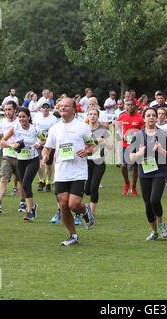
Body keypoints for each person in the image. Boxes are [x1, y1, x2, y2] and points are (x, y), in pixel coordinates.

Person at [40, 97, 97, 246]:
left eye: (66, 106)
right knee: (63, 205)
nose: (62, 108)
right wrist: (45, 154)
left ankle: (85, 211)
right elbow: (47, 147)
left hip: (78, 171)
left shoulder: (82, 127)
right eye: (61, 106)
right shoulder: (55, 128)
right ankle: (73, 236)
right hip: (61, 172)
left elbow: (93, 146)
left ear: (73, 109)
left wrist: (87, 152)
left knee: (73, 204)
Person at [129, 107, 167, 240]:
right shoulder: (137, 135)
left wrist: (160, 150)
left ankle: (161, 223)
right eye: (148, 115)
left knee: (155, 199)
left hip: (160, 171)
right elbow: (130, 157)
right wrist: (139, 153)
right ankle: (153, 232)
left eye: (154, 115)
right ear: (144, 118)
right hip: (145, 171)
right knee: (148, 203)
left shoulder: (163, 135)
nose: (151, 117)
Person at [0, 107, 46, 221]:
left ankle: (30, 211)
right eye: (19, 117)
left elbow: (45, 139)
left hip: (33, 159)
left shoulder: (35, 128)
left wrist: (39, 144)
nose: (21, 119)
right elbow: (2, 141)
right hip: (20, 160)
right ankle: (33, 207)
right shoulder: (15, 128)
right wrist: (12, 145)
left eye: (23, 117)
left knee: (25, 184)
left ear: (29, 117)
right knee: (24, 183)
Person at [0, 101, 27, 215]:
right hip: (7, 155)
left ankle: (22, 202)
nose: (7, 112)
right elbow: (1, 141)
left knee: (21, 181)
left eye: (9, 109)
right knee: (4, 178)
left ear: (15, 110)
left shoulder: (20, 121)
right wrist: (10, 145)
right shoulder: (2, 122)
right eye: (5, 110)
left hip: (21, 155)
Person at [84, 107, 113, 216]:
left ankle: (91, 212)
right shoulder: (83, 129)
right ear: (87, 116)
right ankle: (86, 207)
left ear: (98, 116)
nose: (92, 116)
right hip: (86, 161)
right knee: (87, 190)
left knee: (94, 186)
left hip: (99, 162)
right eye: (90, 114)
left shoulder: (103, 130)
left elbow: (111, 146)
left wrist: (104, 142)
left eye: (94, 114)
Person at [118, 99, 145, 196]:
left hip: (136, 145)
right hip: (125, 144)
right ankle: (126, 183)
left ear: (135, 106)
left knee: (135, 167)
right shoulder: (121, 117)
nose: (130, 106)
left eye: (132, 105)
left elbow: (143, 132)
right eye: (128, 105)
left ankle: (133, 186)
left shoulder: (140, 118)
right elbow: (118, 130)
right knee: (123, 165)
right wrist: (122, 136)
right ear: (125, 106)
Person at [34, 100, 58, 192]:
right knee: (39, 163)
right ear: (40, 108)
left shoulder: (53, 119)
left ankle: (48, 182)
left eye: (47, 107)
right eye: (44, 106)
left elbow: (55, 131)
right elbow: (34, 128)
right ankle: (41, 181)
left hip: (49, 144)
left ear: (50, 108)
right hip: (39, 143)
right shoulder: (36, 117)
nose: (46, 108)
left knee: (48, 164)